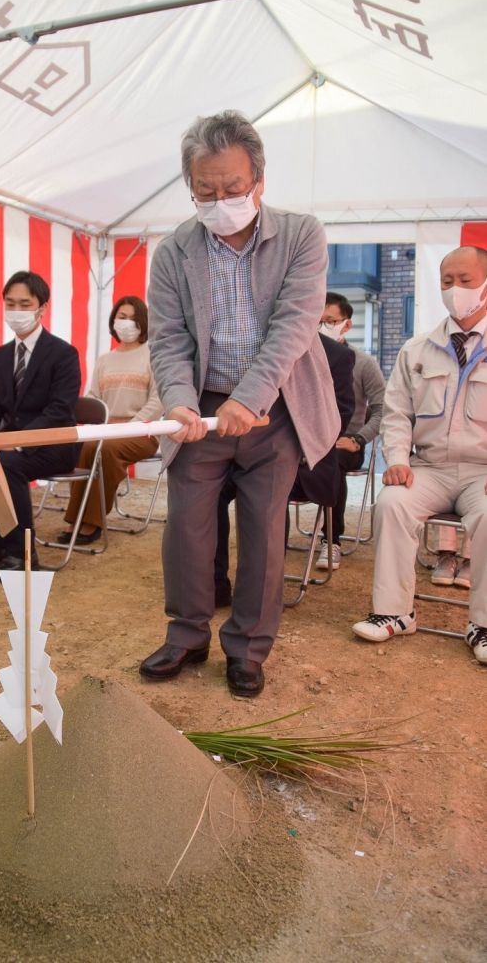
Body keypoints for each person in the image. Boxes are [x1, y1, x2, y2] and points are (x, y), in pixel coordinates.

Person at [139, 110, 340, 698]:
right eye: (207, 191)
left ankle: (249, 647)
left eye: (233, 188)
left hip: (276, 410)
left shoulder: (301, 235)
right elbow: (169, 337)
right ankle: (186, 634)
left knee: (262, 530)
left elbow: (295, 326)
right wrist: (178, 401)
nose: (221, 199)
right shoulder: (175, 251)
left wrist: (250, 399)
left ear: (259, 180)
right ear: (191, 187)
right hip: (200, 409)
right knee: (188, 527)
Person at [352, 245, 487, 665]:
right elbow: (396, 415)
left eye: (465, 280)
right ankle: (394, 613)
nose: (455, 290)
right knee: (391, 503)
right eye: (447, 281)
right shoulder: (417, 350)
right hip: (428, 468)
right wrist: (398, 461)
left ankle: (482, 625)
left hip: (483, 473)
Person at [214, 330, 354, 605]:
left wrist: (296, 450)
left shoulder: (336, 354)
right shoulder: (254, 345)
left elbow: (340, 413)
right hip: (244, 452)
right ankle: (216, 583)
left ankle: (262, 594)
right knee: (212, 489)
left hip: (305, 459)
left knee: (270, 489)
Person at [0, 270, 81, 581]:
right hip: (10, 443)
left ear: (42, 307)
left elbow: (59, 409)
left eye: (25, 304)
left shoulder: (63, 354)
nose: (16, 311)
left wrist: (18, 440)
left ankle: (22, 554)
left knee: (7, 462)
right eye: (10, 303)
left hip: (55, 443)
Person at [58, 296, 162, 543]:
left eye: (133, 318)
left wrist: (129, 427)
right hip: (104, 430)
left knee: (102, 449)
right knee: (86, 445)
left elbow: (159, 401)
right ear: (113, 321)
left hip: (141, 432)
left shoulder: (153, 356)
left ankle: (90, 521)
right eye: (121, 317)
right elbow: (93, 396)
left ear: (143, 323)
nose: (126, 323)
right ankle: (79, 517)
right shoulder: (105, 360)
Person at [316, 293, 385, 570]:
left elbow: (383, 410)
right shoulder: (302, 356)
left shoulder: (363, 363)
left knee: (332, 462)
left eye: (330, 321)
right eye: (318, 321)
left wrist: (359, 439)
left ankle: (331, 540)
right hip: (308, 440)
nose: (323, 327)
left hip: (345, 444)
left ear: (346, 325)